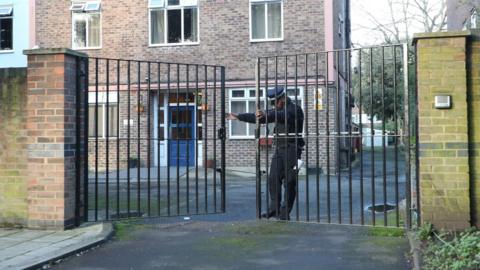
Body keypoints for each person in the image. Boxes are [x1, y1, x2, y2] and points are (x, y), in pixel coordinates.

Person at [226, 86, 304, 220]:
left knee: (289, 182)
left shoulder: (294, 110)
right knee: (273, 179)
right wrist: (239, 117)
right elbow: (259, 118)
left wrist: (268, 114)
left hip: (292, 149)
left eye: (275, 102)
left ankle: (285, 213)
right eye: (272, 103)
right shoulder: (276, 110)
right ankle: (274, 209)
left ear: (283, 98)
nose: (274, 105)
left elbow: (281, 115)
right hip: (279, 149)